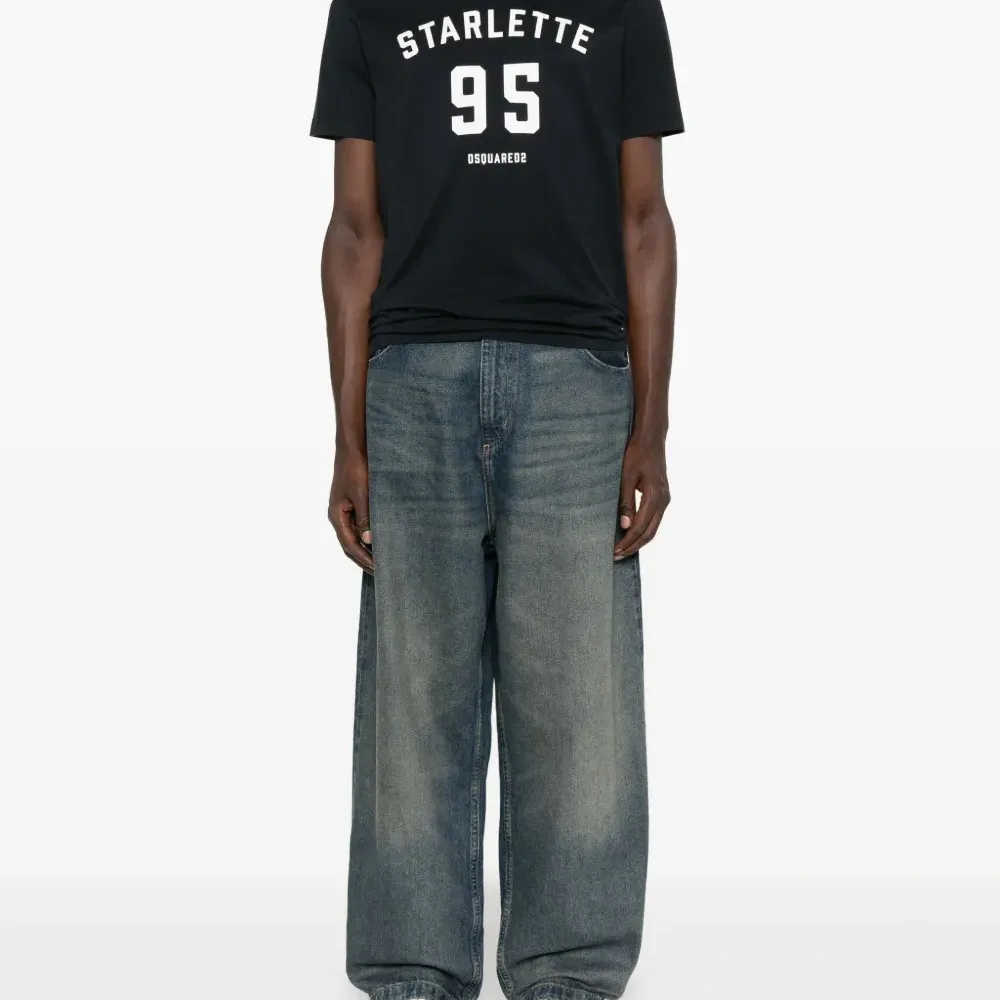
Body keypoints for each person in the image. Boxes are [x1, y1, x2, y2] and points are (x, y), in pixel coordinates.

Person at [310, 2, 683, 998]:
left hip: (578, 380)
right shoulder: (369, 6)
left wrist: (650, 423)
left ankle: (569, 975)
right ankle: (410, 973)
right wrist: (347, 433)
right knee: (413, 704)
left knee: (579, 705)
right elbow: (353, 226)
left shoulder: (621, 5)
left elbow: (644, 217)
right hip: (410, 378)